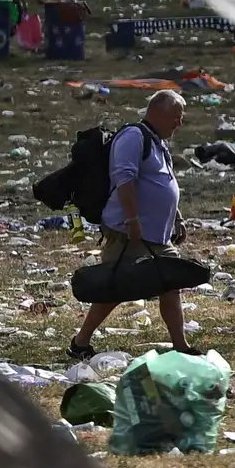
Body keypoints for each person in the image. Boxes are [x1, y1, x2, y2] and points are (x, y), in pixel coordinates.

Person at [69, 88, 195, 360]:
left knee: (171, 282)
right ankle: (80, 342)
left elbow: (164, 184)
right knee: (115, 287)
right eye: (176, 116)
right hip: (127, 231)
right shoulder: (134, 137)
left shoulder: (158, 142)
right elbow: (124, 179)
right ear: (158, 112)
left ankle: (181, 346)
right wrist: (132, 219)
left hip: (156, 235)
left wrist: (177, 218)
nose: (180, 122)